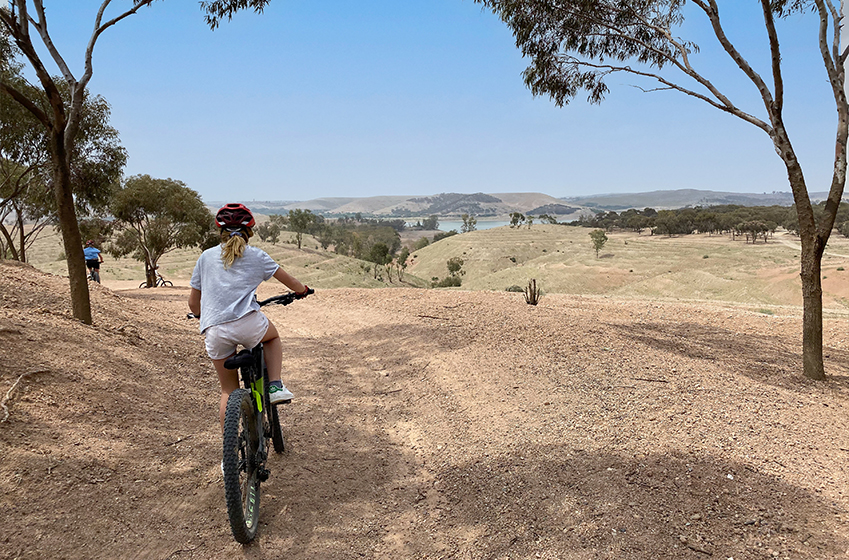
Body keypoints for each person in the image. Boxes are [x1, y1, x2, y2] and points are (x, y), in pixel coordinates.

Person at [188, 203, 310, 430]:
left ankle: (229, 457)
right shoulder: (257, 256)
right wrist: (302, 290)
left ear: (220, 233)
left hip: (215, 330)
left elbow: (193, 303)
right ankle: (274, 386)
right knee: (272, 338)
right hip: (248, 324)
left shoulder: (205, 257)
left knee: (228, 391)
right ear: (249, 232)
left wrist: (199, 316)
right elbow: (292, 283)